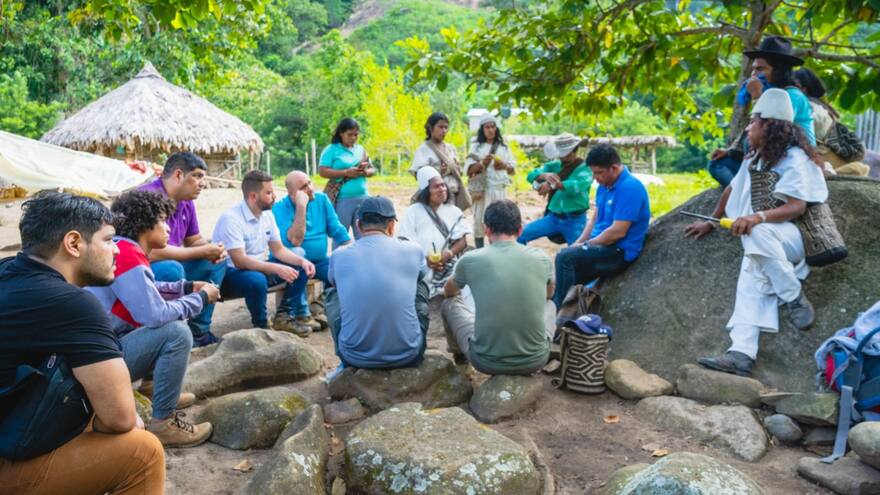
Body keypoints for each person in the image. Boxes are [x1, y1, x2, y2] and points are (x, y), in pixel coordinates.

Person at [0, 192, 164, 494]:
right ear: (74, 243)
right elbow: (120, 418)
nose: (117, 249)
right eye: (108, 239)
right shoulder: (72, 304)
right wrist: (106, 421)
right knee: (143, 452)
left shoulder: (7, 271)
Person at [687, 89, 827, 377]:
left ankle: (792, 295)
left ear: (770, 125)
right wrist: (711, 221)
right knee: (751, 276)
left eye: (753, 122)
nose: (748, 128)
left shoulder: (795, 158)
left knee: (757, 234)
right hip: (763, 241)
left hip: (795, 238)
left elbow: (797, 206)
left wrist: (756, 217)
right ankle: (741, 353)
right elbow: (732, 188)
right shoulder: (756, 158)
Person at [86, 190, 215, 447]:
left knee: (174, 315)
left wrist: (186, 288)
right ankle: (163, 423)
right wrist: (201, 299)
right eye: (163, 221)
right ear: (145, 225)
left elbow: (146, 289)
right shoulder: (126, 253)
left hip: (100, 354)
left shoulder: (122, 248)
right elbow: (154, 315)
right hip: (101, 364)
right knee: (177, 331)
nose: (168, 228)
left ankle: (153, 389)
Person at [442, 200, 556, 375]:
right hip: (536, 360)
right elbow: (549, 295)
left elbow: (448, 291)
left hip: (485, 361)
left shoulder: (471, 259)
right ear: (520, 230)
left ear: (486, 229)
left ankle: (462, 362)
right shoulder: (542, 257)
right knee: (550, 304)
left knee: (448, 303)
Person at [325, 196, 430, 369]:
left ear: (358, 225)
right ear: (392, 226)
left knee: (333, 293)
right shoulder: (414, 250)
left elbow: (335, 283)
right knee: (419, 283)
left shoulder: (339, 255)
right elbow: (420, 276)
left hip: (353, 357)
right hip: (408, 354)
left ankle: (344, 352)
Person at [139, 152, 227, 347]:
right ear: (178, 175)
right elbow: (150, 252)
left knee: (218, 262)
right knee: (172, 268)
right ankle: (167, 337)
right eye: (197, 176)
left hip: (172, 265)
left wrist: (212, 248)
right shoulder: (147, 198)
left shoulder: (186, 202)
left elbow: (193, 240)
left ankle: (199, 332)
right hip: (143, 271)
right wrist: (201, 251)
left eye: (203, 177)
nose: (203, 183)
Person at [213, 170, 316, 335]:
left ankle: (284, 316)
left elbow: (279, 250)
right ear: (253, 196)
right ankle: (262, 326)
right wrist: (277, 268)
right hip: (231, 274)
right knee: (257, 280)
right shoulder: (231, 219)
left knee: (301, 267)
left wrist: (302, 261)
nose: (274, 196)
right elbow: (240, 261)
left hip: (258, 269)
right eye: (268, 193)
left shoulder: (267, 215)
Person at [552, 144, 651, 308]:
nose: (595, 178)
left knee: (565, 258)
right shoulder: (604, 186)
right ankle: (566, 309)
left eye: (598, 173)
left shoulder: (630, 188)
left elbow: (618, 232)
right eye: (593, 173)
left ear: (614, 168)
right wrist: (578, 243)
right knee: (564, 270)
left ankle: (558, 309)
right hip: (600, 245)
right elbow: (594, 220)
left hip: (618, 251)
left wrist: (586, 245)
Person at [709, 36, 815, 187]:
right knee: (718, 163)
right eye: (753, 69)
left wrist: (756, 96)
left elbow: (767, 130)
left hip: (791, 160)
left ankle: (749, 191)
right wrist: (730, 151)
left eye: (760, 69)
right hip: (771, 156)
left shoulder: (792, 95)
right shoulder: (771, 92)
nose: (754, 74)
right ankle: (745, 189)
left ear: (778, 70)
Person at [272, 170, 352, 331]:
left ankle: (319, 306)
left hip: (319, 261)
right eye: (303, 187)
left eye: (309, 182)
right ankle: (298, 314)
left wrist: (351, 248)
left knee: (345, 268)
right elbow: (295, 240)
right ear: (292, 194)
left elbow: (336, 229)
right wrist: (301, 206)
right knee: (299, 255)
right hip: (292, 262)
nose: (310, 188)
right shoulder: (280, 208)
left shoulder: (322, 200)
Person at [398, 167, 471, 298]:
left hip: (448, 270)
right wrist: (424, 260)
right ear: (426, 191)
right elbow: (404, 241)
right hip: (421, 269)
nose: (442, 189)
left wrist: (448, 254)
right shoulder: (413, 211)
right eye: (436, 186)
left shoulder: (454, 211)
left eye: (443, 185)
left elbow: (462, 241)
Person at [793, 68, 870, 177]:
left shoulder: (810, 109)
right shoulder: (823, 108)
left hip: (823, 163)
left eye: (791, 87)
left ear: (803, 89)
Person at [519, 133, 592, 246]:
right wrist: (545, 176)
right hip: (553, 217)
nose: (565, 158)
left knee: (578, 250)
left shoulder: (585, 168)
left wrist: (552, 184)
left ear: (575, 151)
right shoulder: (554, 165)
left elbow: (577, 186)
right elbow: (531, 175)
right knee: (520, 235)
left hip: (575, 220)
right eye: (562, 155)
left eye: (568, 155)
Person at [318, 118, 376, 240]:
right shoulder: (332, 150)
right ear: (341, 133)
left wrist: (366, 172)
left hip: (363, 197)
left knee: (364, 236)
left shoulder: (361, 150)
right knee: (341, 236)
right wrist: (346, 172)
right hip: (342, 199)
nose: (353, 138)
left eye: (356, 135)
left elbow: (373, 170)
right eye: (350, 135)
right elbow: (322, 171)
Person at [464, 113, 516, 248]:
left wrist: (504, 166)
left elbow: (513, 169)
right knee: (479, 222)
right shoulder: (476, 147)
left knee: (497, 223)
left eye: (493, 127)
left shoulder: (504, 147)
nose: (490, 130)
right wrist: (483, 164)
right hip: (482, 190)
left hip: (498, 191)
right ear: (482, 129)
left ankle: (495, 251)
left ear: (496, 128)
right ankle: (480, 250)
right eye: (487, 127)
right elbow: (468, 170)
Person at [410, 112, 471, 211]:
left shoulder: (451, 148)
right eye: (440, 127)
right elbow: (419, 175)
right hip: (434, 197)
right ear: (430, 128)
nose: (444, 131)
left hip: (452, 194)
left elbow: (459, 171)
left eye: (446, 127)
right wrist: (438, 173)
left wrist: (453, 169)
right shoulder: (424, 149)